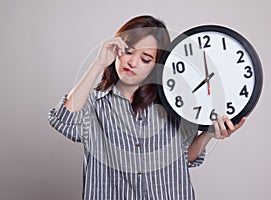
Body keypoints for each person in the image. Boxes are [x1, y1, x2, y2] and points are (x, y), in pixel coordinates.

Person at [48, 15, 246, 200]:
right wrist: (98, 64)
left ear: (157, 65)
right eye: (128, 51)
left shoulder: (175, 104)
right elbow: (64, 120)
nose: (132, 62)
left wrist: (210, 133)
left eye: (145, 59)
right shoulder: (94, 103)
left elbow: (184, 157)